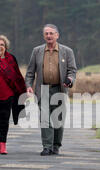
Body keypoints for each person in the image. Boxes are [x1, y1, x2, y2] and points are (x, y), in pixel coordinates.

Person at [25, 24, 77, 156]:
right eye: (46, 33)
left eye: (51, 33)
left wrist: (70, 79)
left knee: (58, 119)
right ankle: (47, 146)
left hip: (59, 89)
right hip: (42, 89)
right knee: (44, 118)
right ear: (44, 36)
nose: (49, 36)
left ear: (57, 35)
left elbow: (72, 70)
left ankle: (56, 145)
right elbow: (30, 72)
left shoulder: (67, 51)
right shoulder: (37, 51)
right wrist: (28, 85)